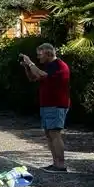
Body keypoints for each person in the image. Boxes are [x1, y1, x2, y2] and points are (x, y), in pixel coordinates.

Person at [20, 43, 70, 173]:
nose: (38, 57)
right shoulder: (49, 66)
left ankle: (61, 165)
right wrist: (27, 67)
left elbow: (42, 75)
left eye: (40, 54)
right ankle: (56, 163)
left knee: (55, 133)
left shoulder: (58, 65)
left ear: (48, 53)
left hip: (56, 104)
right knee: (49, 134)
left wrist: (30, 63)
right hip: (47, 105)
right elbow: (33, 78)